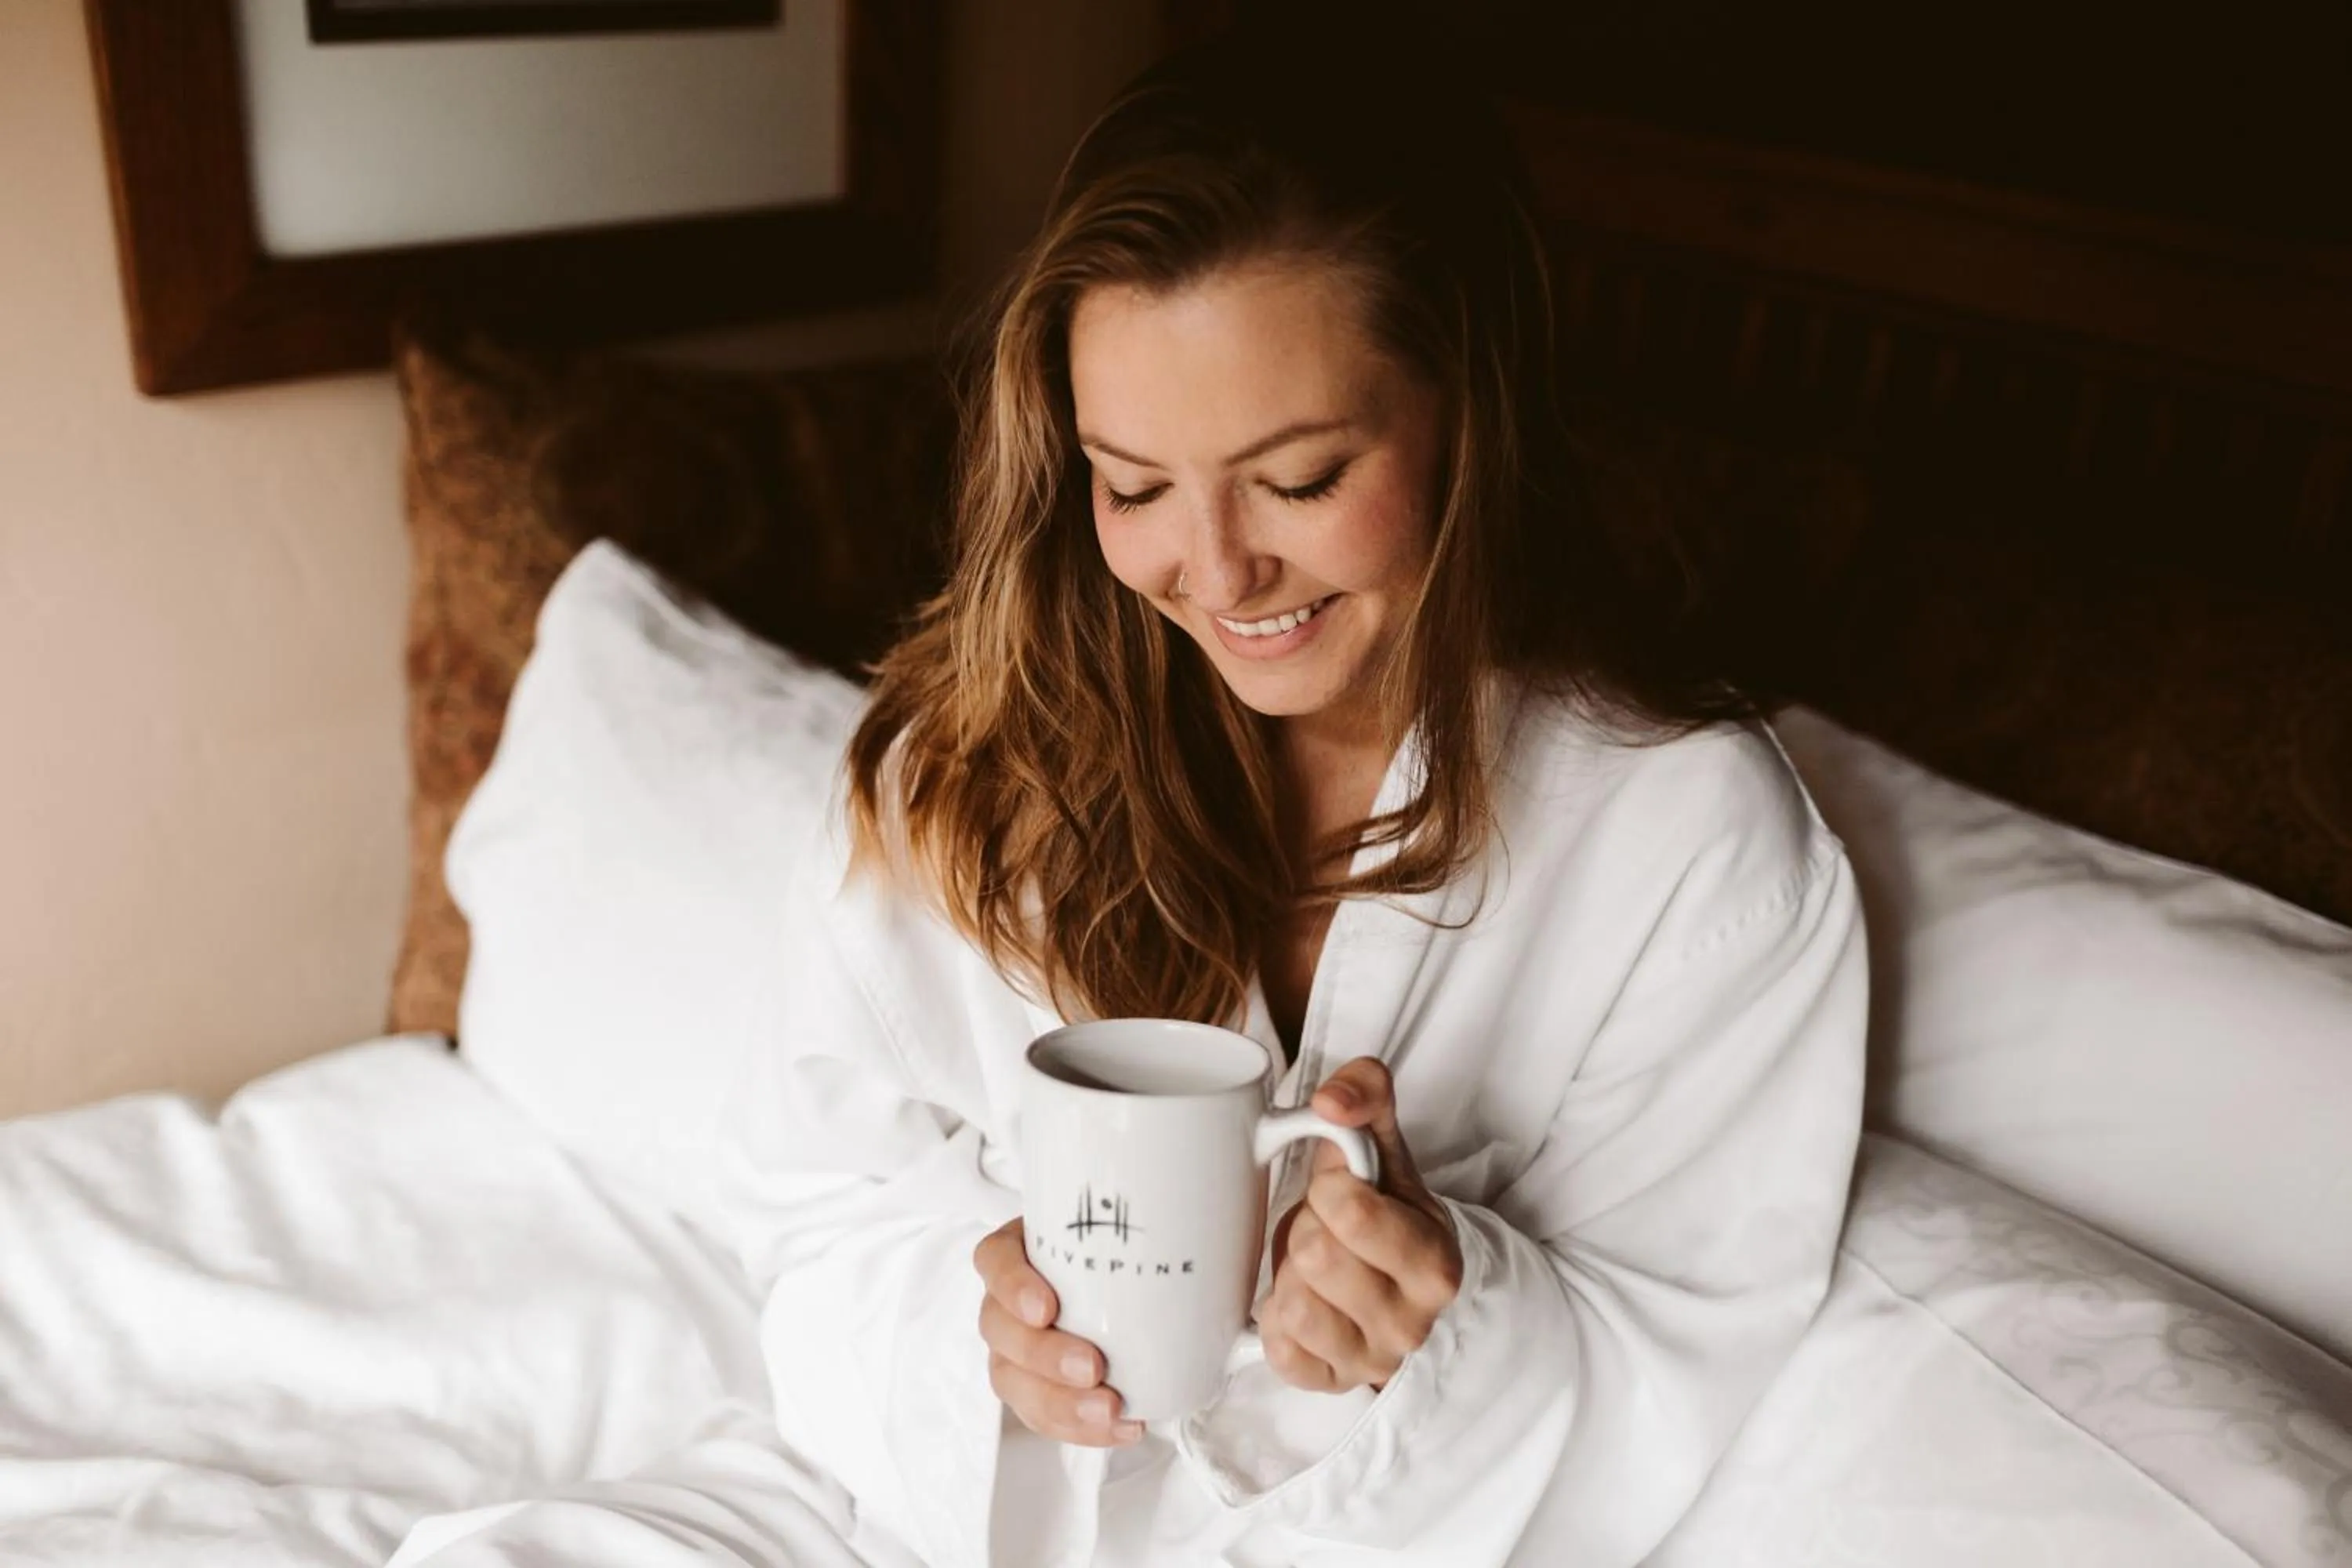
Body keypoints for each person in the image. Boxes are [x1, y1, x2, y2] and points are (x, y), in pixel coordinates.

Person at [397, 9, 1864, 1566]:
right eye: (1135, 485)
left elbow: (1685, 1368)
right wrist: (984, 1340)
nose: (1217, 570)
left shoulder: (1692, 848)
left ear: (1469, 413)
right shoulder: (970, 767)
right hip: (927, 1504)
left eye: (1298, 479)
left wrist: (1456, 1312)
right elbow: (813, 1212)